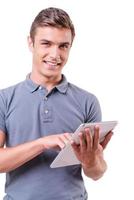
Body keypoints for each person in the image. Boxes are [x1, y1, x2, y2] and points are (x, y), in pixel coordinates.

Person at [0, 7, 113, 200]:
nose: (55, 54)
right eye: (46, 43)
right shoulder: (4, 99)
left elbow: (97, 173)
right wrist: (43, 143)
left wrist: (91, 161)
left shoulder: (87, 101)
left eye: (63, 46)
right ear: (31, 43)